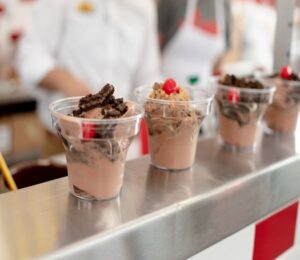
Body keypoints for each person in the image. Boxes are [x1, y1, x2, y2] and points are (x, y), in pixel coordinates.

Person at [16, 0, 161, 156]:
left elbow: (148, 75)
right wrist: (67, 82)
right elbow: (30, 56)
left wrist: (163, 103)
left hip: (120, 145)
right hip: (65, 143)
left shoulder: (143, 6)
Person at [157, 0, 227, 86]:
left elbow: (221, 57)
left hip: (204, 88)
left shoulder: (224, 4)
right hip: (165, 84)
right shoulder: (171, 2)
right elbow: (155, 44)